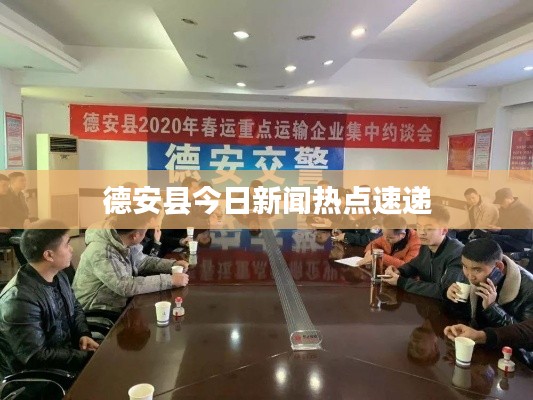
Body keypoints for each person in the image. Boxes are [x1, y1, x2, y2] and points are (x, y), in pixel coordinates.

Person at [0, 220, 98, 381]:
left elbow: (74, 306)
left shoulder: (59, 275)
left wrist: (83, 334)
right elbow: (36, 356)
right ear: (49, 255)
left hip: (66, 357)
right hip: (40, 379)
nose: (71, 249)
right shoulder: (19, 299)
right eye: (67, 244)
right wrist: (86, 357)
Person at [73, 212, 189, 314]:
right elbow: (125, 286)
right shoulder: (101, 251)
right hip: (96, 310)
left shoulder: (125, 240)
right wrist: (170, 280)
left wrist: (172, 265)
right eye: (145, 232)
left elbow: (143, 261)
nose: (146, 235)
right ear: (135, 236)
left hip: (119, 302)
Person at [446, 238, 533, 329]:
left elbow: (524, 334)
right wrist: (452, 298)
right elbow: (463, 315)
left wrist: (492, 308)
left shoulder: (529, 291)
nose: (470, 276)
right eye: (465, 266)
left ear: (498, 267)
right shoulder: (471, 271)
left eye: (477, 270)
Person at [382, 204, 464, 299]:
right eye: (419, 227)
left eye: (429, 228)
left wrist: (401, 282)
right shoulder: (425, 246)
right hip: (425, 303)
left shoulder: (457, 253)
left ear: (444, 230)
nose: (421, 233)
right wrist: (400, 271)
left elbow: (445, 290)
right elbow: (414, 265)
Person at [488, 188, 533, 252]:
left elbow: (524, 232)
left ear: (509, 199)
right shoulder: (503, 210)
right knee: (486, 236)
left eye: (501, 202)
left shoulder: (525, 210)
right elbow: (500, 224)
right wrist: (494, 227)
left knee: (492, 243)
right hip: (507, 237)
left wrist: (501, 230)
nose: (500, 205)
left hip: (522, 241)